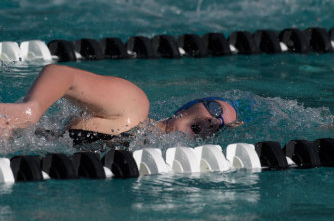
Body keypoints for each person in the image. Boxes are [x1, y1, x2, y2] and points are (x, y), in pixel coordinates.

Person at [0, 64, 239, 144]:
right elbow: (62, 75)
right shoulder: (134, 107)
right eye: (215, 110)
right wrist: (30, 111)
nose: (212, 121)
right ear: (188, 106)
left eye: (220, 126)